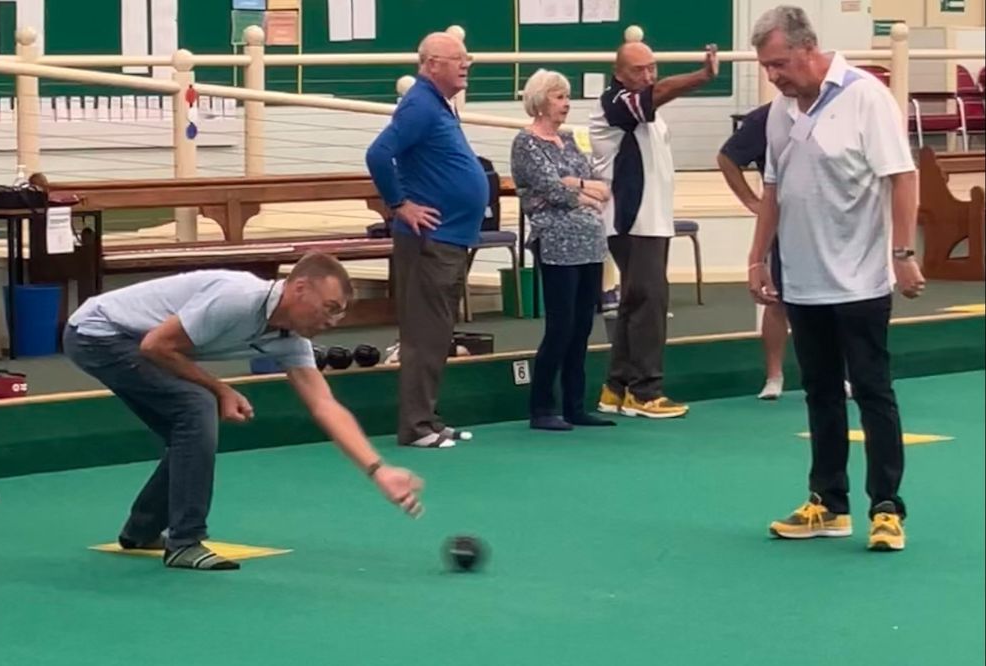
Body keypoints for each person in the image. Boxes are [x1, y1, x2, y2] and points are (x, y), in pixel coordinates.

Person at [63, 253, 426, 571]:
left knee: (188, 430)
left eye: (339, 313)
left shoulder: (290, 339)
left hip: (131, 340)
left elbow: (325, 405)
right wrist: (220, 389)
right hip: (98, 334)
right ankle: (185, 542)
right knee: (196, 407)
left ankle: (142, 530)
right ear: (299, 288)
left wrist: (379, 470)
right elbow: (156, 345)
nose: (332, 321)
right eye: (330, 307)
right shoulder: (238, 298)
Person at [747, 6, 925, 551]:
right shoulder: (780, 112)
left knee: (872, 390)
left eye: (779, 63)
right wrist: (757, 258)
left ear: (808, 48)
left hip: (861, 279)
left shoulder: (866, 96)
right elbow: (773, 188)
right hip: (802, 280)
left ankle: (887, 508)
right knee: (819, 392)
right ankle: (828, 503)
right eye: (766, 66)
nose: (773, 75)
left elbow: (903, 177)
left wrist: (902, 252)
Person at [365, 32, 488, 449]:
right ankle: (416, 427)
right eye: (458, 59)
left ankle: (428, 419)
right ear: (432, 64)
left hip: (450, 238)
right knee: (423, 335)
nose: (466, 64)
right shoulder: (419, 104)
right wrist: (400, 204)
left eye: (467, 57)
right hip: (429, 241)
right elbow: (378, 154)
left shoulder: (437, 104)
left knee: (437, 334)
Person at [589, 40, 719, 419]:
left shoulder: (645, 110)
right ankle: (645, 391)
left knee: (635, 301)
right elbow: (658, 93)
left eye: (652, 67)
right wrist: (702, 76)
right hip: (632, 221)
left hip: (652, 220)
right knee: (650, 301)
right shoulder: (615, 103)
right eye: (638, 70)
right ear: (618, 74)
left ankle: (616, 388)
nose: (647, 76)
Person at [510, 69, 614, 431]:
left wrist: (577, 184)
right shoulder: (526, 143)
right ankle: (542, 407)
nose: (566, 104)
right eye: (558, 97)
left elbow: (600, 186)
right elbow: (552, 190)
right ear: (540, 102)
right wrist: (581, 190)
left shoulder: (568, 140)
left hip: (590, 242)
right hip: (555, 242)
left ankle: (575, 406)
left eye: (567, 97)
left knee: (583, 326)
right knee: (560, 326)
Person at [717, 102, 789, 399]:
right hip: (783, 219)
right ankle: (774, 376)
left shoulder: (834, 109)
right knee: (776, 298)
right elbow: (727, 158)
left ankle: (839, 374)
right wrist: (751, 201)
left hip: (831, 222)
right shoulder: (767, 117)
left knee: (835, 303)